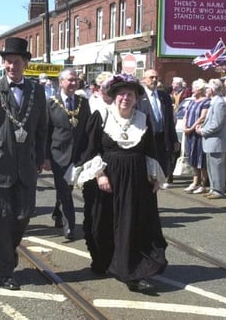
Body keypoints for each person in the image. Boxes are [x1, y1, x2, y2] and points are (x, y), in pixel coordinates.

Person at [0, 37, 47, 291]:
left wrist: (43, 156)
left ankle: (8, 249)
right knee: (0, 219)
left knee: (23, 215)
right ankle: (5, 272)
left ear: (25, 63)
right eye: (7, 62)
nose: (11, 66)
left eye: (15, 61)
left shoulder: (37, 91)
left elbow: (42, 127)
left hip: (26, 166)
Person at [80, 73, 167, 294]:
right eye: (121, 94)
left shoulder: (143, 119)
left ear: (137, 99)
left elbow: (150, 151)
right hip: (108, 179)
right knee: (102, 224)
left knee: (132, 224)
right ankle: (106, 261)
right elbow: (91, 149)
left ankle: (133, 271)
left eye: (130, 94)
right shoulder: (102, 116)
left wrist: (155, 177)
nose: (125, 98)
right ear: (114, 96)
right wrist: (100, 174)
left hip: (136, 180)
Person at [44, 68, 91, 240]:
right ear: (61, 82)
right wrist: (46, 157)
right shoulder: (50, 103)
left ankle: (58, 212)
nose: (73, 83)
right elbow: (45, 132)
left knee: (68, 188)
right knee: (64, 189)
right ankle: (69, 226)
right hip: (58, 154)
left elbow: (87, 129)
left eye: (75, 80)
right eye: (69, 80)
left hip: (78, 154)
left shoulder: (83, 102)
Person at [138, 69, 179, 188]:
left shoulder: (164, 97)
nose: (154, 80)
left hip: (162, 138)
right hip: (146, 137)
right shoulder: (139, 97)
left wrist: (174, 139)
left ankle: (158, 183)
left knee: (161, 165)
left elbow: (169, 120)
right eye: (151, 77)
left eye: (156, 78)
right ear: (144, 80)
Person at [195, 79, 226, 199]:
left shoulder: (219, 103)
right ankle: (213, 188)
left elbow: (216, 124)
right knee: (211, 166)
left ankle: (219, 190)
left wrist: (202, 131)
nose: (206, 90)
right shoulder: (213, 102)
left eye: (208, 88)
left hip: (217, 141)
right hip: (211, 141)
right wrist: (202, 126)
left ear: (212, 90)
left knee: (217, 167)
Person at [182, 79, 210, 194]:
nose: (192, 89)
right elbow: (186, 114)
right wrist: (185, 126)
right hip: (189, 134)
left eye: (194, 87)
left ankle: (203, 184)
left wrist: (191, 128)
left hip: (198, 134)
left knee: (200, 159)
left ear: (199, 89)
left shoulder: (206, 102)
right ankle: (195, 181)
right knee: (192, 157)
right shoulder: (192, 101)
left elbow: (202, 118)